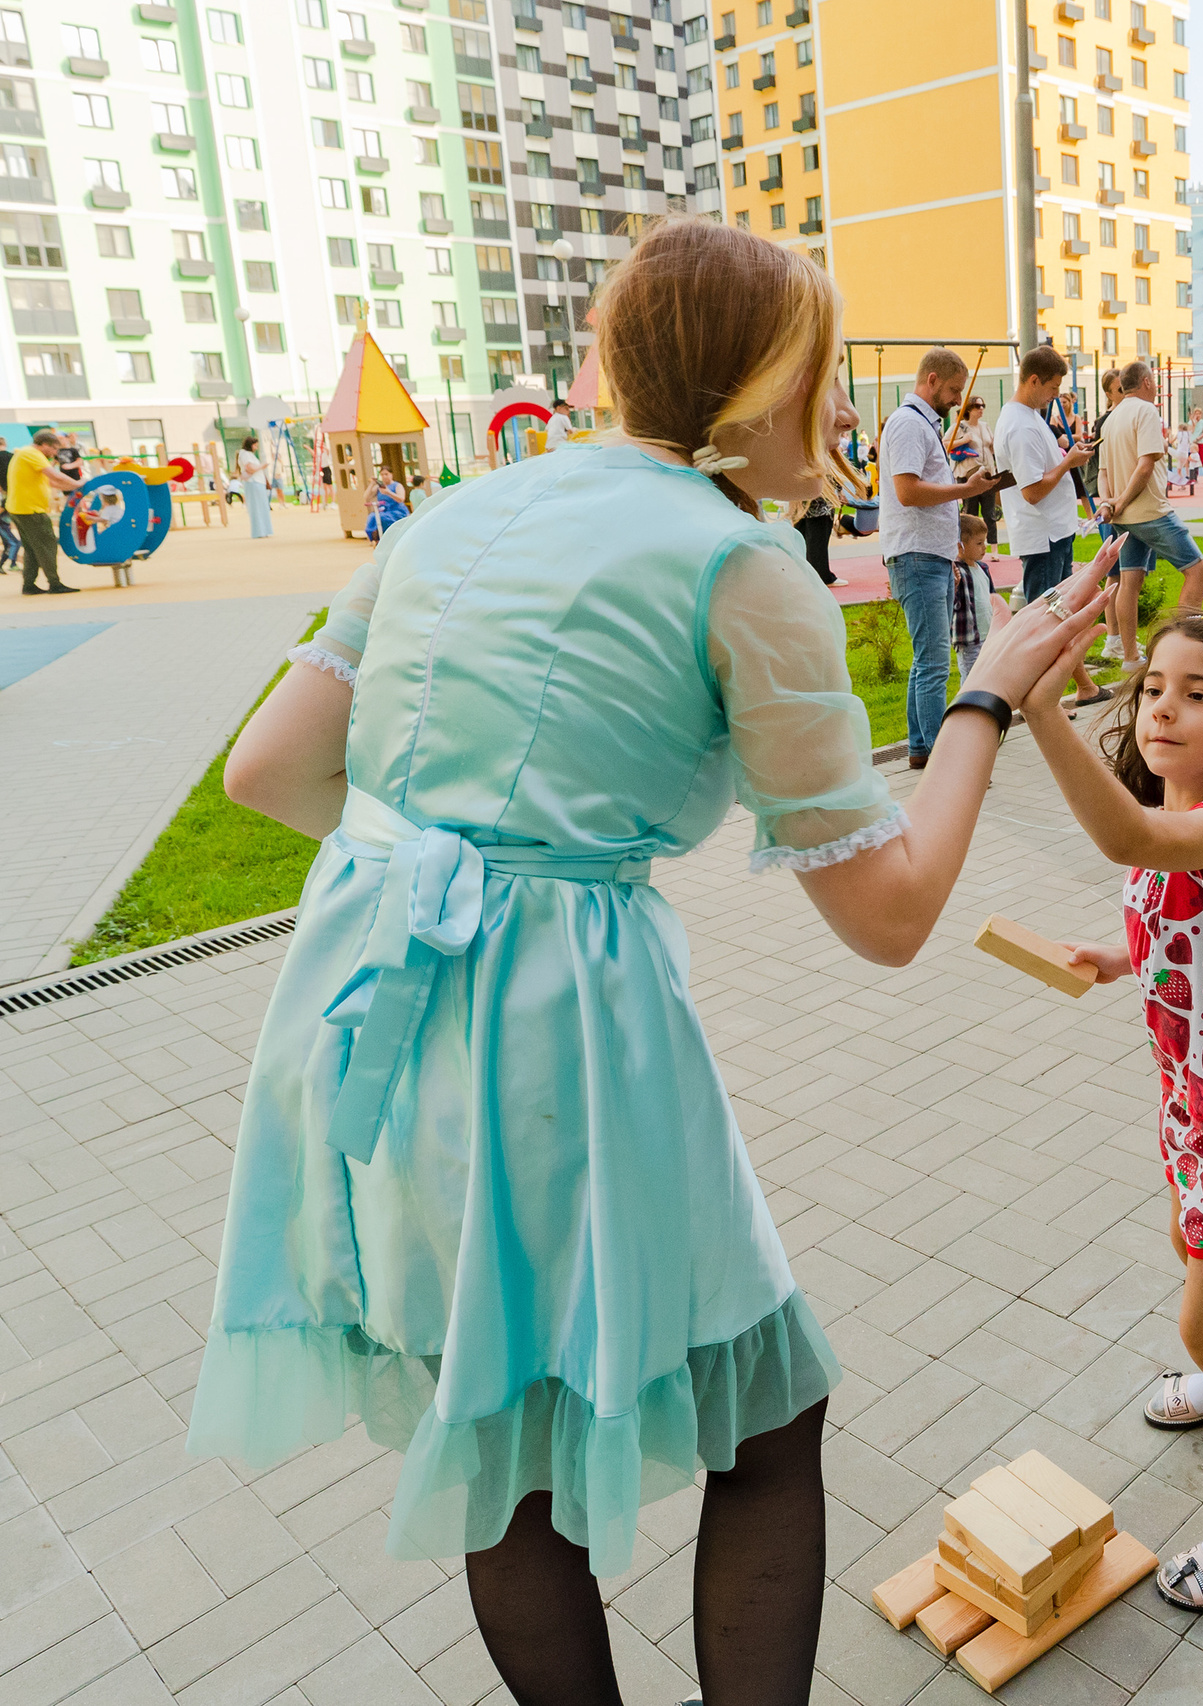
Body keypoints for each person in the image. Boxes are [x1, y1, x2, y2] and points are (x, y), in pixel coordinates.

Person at [188, 216, 1112, 1706]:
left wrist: (451, 870)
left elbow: (272, 769)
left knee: (507, 1430)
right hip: (565, 1035)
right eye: (819, 373)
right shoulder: (742, 564)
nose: (839, 419)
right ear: (758, 386)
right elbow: (889, 914)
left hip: (373, 1006)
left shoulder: (451, 516)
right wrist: (987, 701)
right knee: (770, 1419)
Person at [1019, 612, 1203, 1617]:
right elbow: (1155, 896)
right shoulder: (1176, 819)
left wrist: (1039, 708)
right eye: (1154, 686)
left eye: (1200, 693)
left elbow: (1131, 834)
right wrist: (1114, 957)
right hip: (1199, 1105)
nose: (1164, 708)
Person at [880, 348, 1003, 769]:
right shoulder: (909, 423)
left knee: (926, 660)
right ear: (931, 380)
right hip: (916, 555)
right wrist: (966, 490)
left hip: (924, 554)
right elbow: (908, 492)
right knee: (933, 663)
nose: (957, 399)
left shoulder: (919, 424)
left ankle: (921, 748)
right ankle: (941, 759)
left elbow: (920, 491)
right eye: (953, 390)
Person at [998, 344, 1105, 707]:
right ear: (1033, 380)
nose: (1056, 396)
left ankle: (1080, 687)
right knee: (1046, 621)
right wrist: (1068, 462)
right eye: (1053, 388)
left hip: (1053, 532)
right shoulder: (1020, 426)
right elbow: (1031, 491)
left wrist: (1063, 454)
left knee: (1059, 616)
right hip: (1041, 535)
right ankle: (1041, 700)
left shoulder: (1027, 417)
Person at [1094, 361, 1203, 671]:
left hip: (1124, 516)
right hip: (1150, 511)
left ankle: (1131, 657)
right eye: (1155, 381)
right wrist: (1119, 500)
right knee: (1199, 570)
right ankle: (1180, 648)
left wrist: (1110, 502)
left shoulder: (1111, 418)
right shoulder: (1146, 411)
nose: (1157, 386)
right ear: (1146, 382)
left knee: (1129, 581)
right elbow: (1146, 465)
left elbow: (1103, 473)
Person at [9, 427, 80, 594]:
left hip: (21, 508)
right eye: (54, 448)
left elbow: (51, 482)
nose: (55, 453)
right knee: (47, 544)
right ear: (44, 445)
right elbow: (54, 476)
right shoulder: (33, 454)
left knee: (33, 548)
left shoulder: (25, 454)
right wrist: (77, 484)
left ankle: (29, 585)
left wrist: (73, 487)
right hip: (30, 510)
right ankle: (54, 583)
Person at [951, 510, 1008, 680]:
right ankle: (968, 706)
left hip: (989, 634)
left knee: (992, 675)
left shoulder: (983, 568)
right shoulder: (956, 571)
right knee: (973, 679)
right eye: (979, 543)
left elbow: (991, 597)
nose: (984, 548)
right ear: (960, 545)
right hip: (969, 640)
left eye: (984, 542)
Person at [946, 394, 1001, 541]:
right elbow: (944, 444)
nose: (981, 409)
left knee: (990, 513)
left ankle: (993, 548)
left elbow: (992, 447)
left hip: (988, 474)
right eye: (977, 406)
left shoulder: (985, 426)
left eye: (983, 405)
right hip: (968, 475)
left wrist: (995, 446)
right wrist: (963, 440)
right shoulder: (959, 427)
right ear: (969, 408)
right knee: (971, 513)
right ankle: (969, 547)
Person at [235, 433, 274, 538]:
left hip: (257, 482)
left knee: (262, 507)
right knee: (256, 507)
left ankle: (264, 530)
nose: (256, 448)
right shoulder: (245, 454)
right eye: (255, 445)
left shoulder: (247, 455)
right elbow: (250, 468)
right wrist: (262, 465)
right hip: (253, 482)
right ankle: (259, 531)